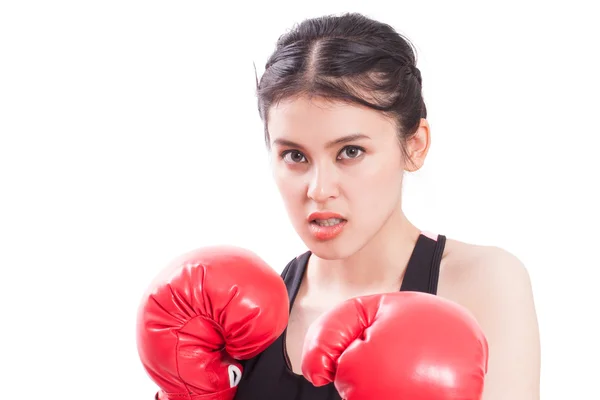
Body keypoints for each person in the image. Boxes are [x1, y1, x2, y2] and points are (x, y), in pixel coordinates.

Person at [136, 11, 540, 400]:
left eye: (350, 151)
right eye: (295, 156)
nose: (319, 189)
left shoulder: (483, 283)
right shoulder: (234, 315)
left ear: (414, 146)